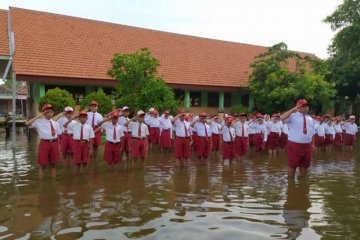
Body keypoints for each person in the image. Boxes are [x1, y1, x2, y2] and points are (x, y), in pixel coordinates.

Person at [280, 99, 315, 178]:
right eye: (303, 106)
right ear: (298, 108)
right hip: (295, 144)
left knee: (305, 165)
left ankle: (302, 183)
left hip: (307, 145)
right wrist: (293, 110)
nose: (305, 108)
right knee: (292, 165)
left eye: (306, 106)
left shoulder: (310, 118)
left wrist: (313, 144)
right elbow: (282, 118)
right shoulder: (292, 116)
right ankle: (290, 184)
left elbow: (312, 132)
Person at [25, 104, 61, 179]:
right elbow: (27, 123)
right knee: (42, 165)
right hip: (44, 143)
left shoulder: (55, 123)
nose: (49, 114)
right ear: (43, 113)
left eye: (51, 112)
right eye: (47, 112)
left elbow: (58, 135)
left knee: (53, 165)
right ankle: (41, 185)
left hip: (54, 144)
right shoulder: (38, 121)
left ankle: (53, 183)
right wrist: (39, 116)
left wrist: (59, 146)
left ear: (53, 113)